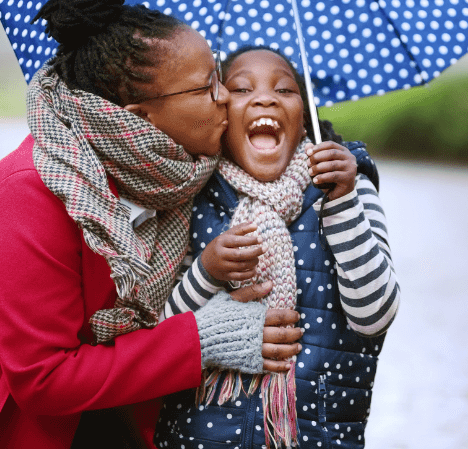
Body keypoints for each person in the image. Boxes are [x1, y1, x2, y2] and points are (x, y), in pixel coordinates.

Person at [0, 0, 302, 449]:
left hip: (106, 390)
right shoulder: (27, 194)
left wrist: (341, 162)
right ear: (139, 118)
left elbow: (278, 157)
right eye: (208, 86)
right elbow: (43, 376)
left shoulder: (177, 171)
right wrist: (203, 339)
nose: (227, 99)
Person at [154, 47, 400, 449]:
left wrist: (342, 205)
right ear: (221, 114)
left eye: (285, 89)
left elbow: (376, 316)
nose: (265, 98)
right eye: (241, 88)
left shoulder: (349, 189)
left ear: (304, 117)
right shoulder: (192, 197)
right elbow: (158, 340)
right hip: (198, 438)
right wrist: (207, 272)